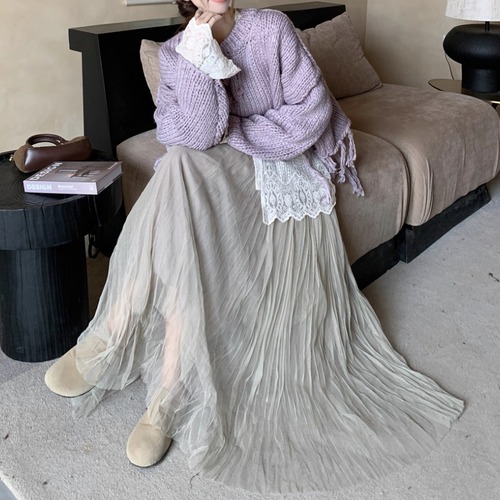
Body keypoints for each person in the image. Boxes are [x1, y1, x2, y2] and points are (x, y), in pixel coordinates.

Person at [44, 0, 464, 494]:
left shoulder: (270, 27)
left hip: (284, 158)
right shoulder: (179, 52)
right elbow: (190, 135)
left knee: (181, 170)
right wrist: (200, 60)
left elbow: (312, 113)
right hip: (214, 165)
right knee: (180, 166)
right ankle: (132, 350)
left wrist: (236, 132)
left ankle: (156, 378)